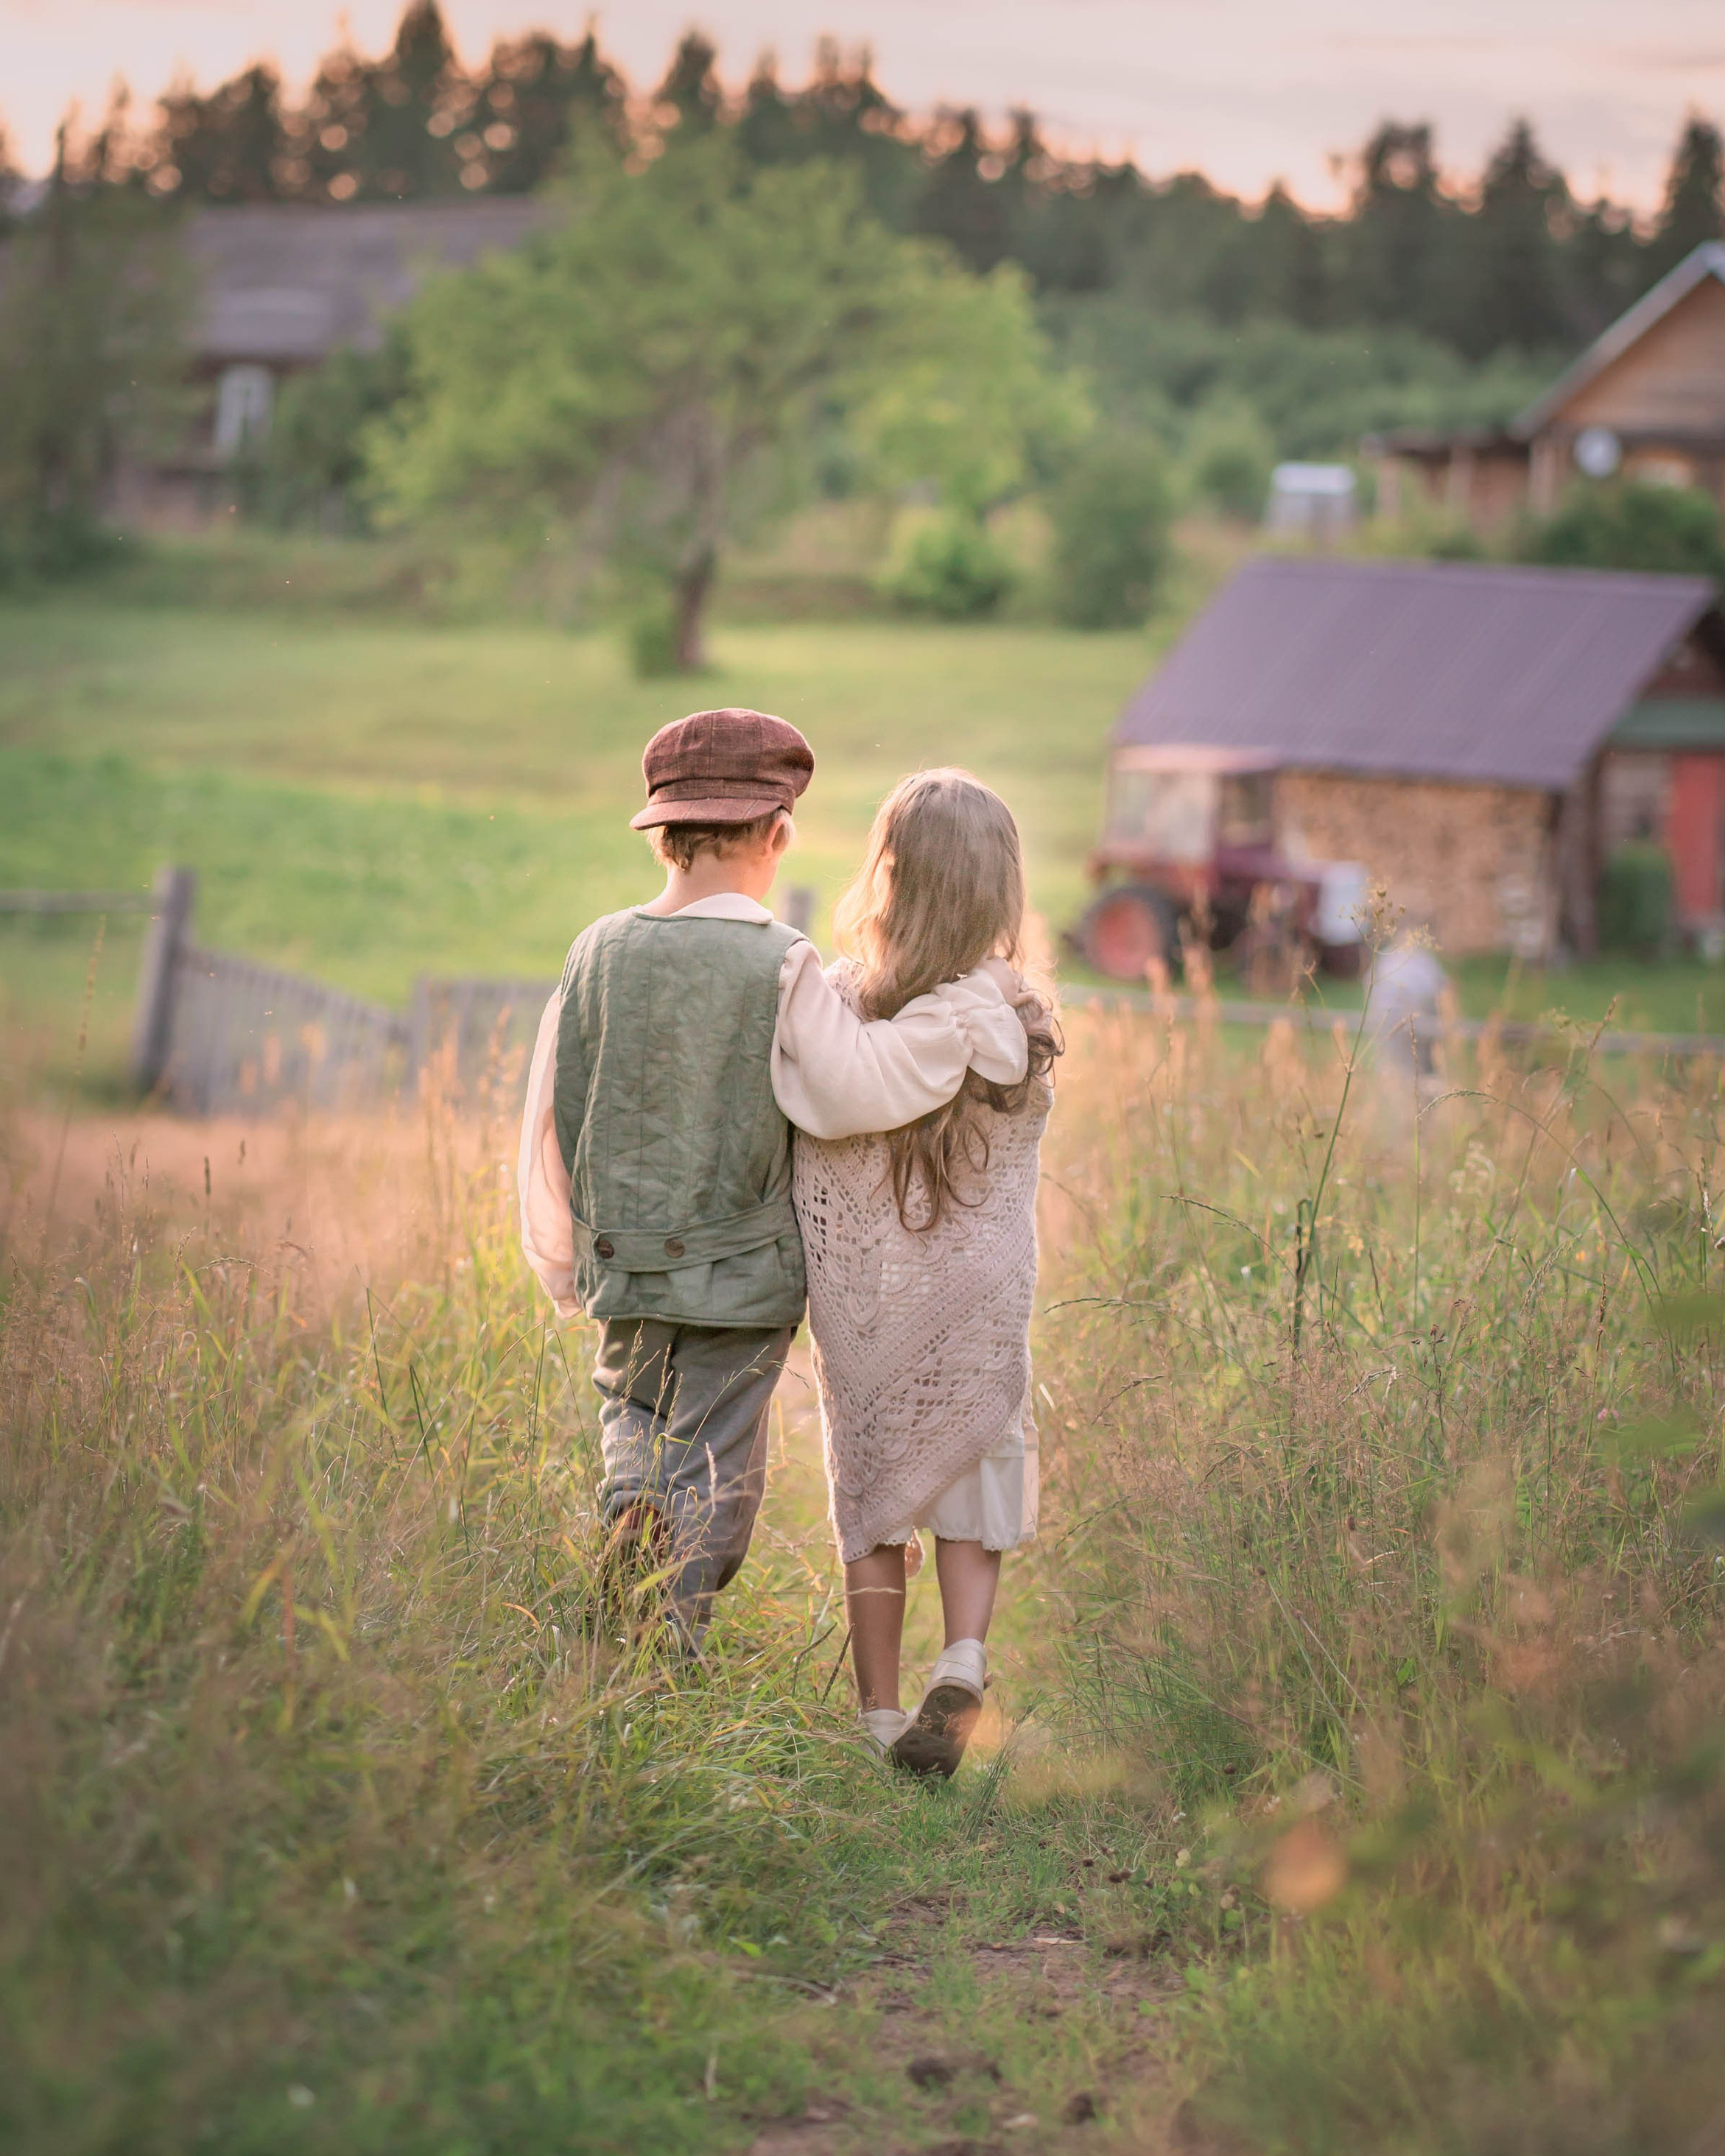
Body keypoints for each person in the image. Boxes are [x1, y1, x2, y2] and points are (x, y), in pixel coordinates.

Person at [516, 709, 1028, 1647]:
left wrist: (560, 1254)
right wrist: (954, 1026)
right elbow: (849, 1092)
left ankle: (631, 1506)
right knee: (716, 1457)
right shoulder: (777, 960)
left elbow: (552, 1111)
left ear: (659, 836)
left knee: (633, 1414)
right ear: (779, 831)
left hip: (620, 1265)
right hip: (738, 1276)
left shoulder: (594, 951)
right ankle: (670, 1629)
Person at [795, 769, 1059, 1776]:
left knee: (871, 1494)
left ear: (890, 875)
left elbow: (821, 1113)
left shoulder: (849, 1013)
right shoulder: (1020, 1021)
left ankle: (875, 1718)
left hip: (875, 1303)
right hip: (980, 1292)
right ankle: (963, 1656)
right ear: (999, 886)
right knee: (973, 1473)